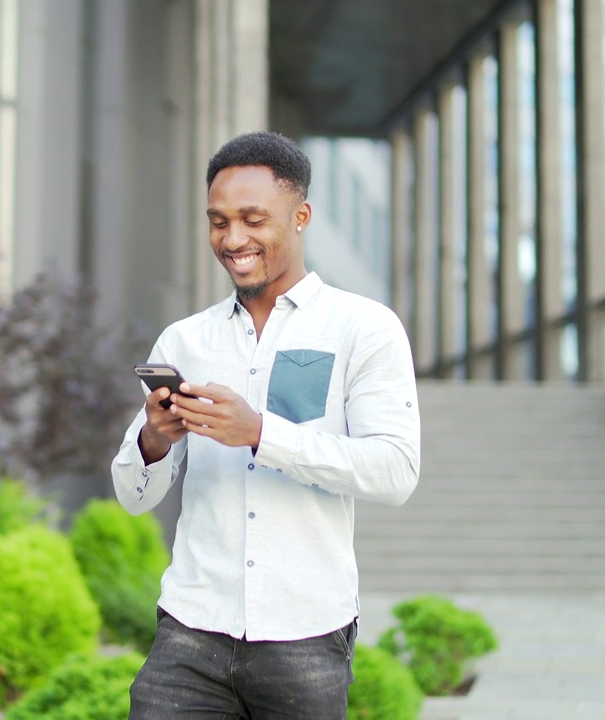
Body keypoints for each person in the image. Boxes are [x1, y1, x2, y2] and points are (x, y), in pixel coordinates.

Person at [111, 131, 421, 719]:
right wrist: (154, 439)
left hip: (304, 632)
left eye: (253, 219)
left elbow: (396, 472)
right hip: (189, 632)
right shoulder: (185, 340)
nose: (233, 240)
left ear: (300, 216)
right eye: (218, 221)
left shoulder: (364, 328)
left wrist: (259, 433)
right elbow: (132, 496)